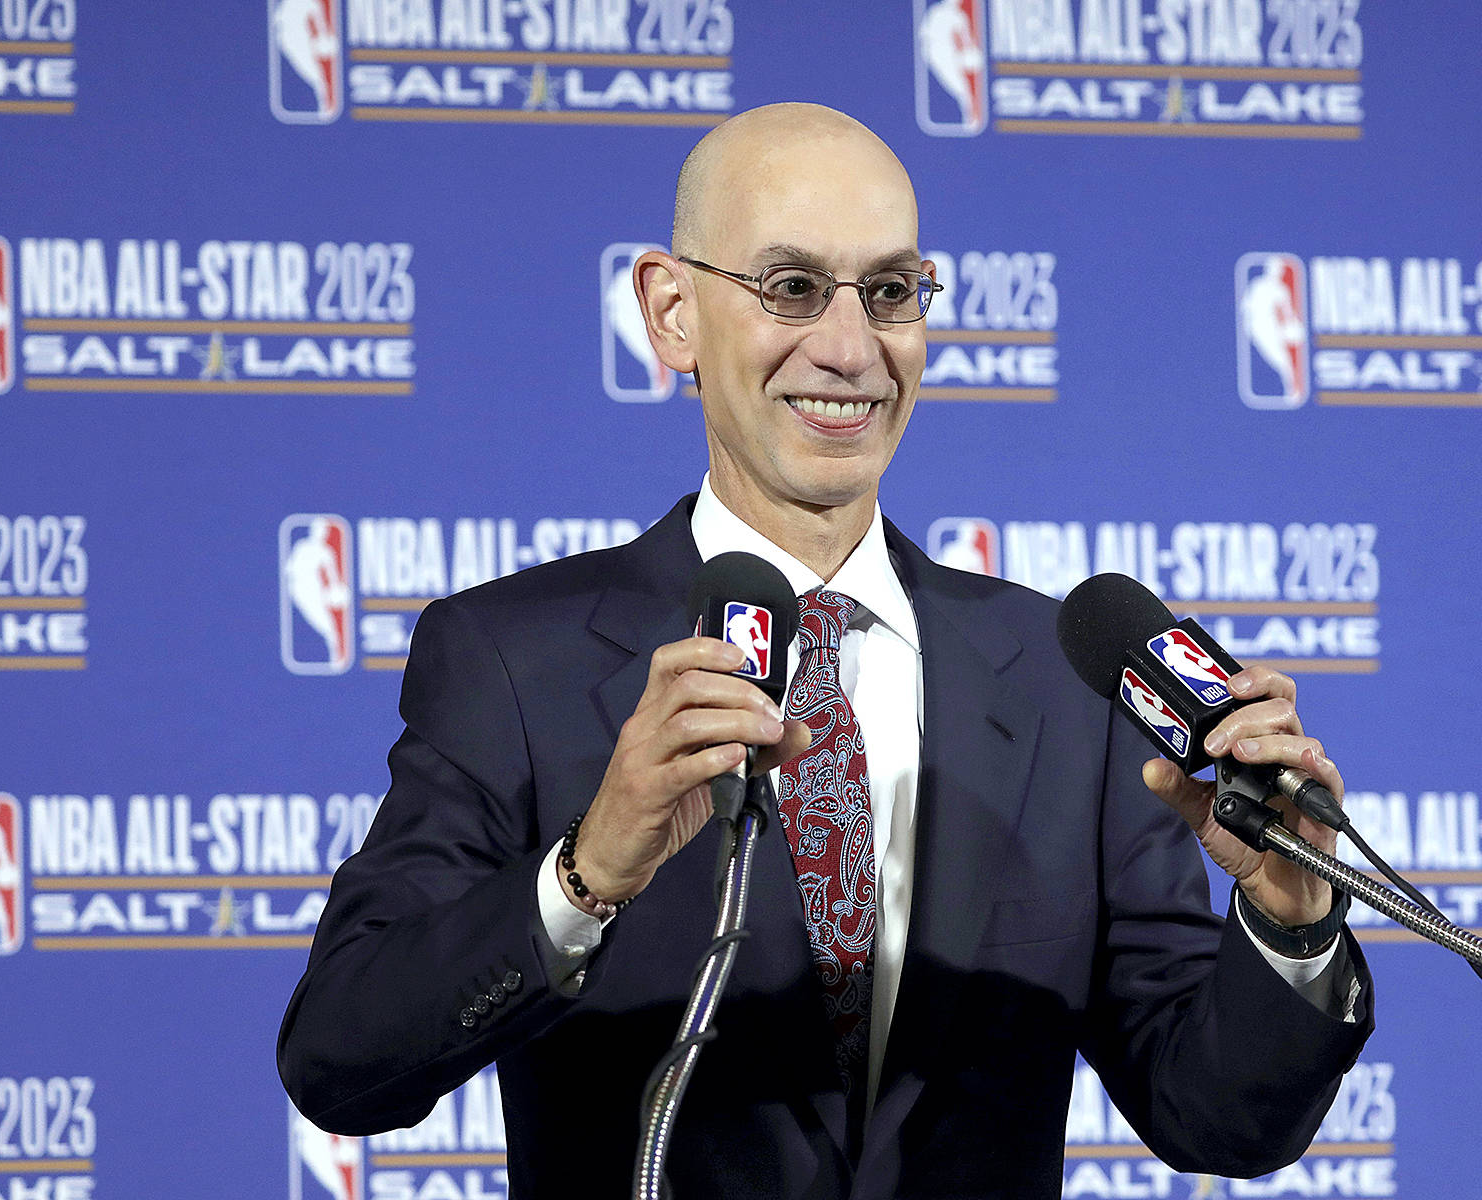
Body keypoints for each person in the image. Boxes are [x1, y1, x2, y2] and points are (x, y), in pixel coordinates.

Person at [278, 102, 1373, 1199]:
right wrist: (585, 874)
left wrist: (1290, 919)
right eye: (791, 288)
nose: (850, 349)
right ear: (671, 312)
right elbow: (342, 1060)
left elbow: (1221, 1118)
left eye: (891, 292)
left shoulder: (1060, 677)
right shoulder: (515, 661)